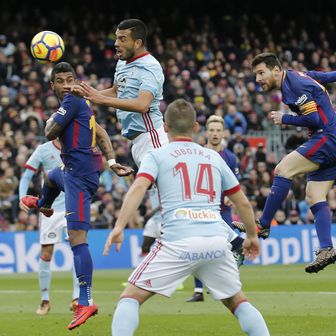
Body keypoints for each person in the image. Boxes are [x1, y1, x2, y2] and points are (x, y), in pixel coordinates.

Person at [104, 98, 270, 336]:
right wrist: (252, 236)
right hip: (215, 241)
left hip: (177, 241)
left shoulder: (157, 155)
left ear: (166, 128)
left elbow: (139, 187)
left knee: (130, 298)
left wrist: (119, 226)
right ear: (195, 127)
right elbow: (242, 201)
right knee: (238, 302)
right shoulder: (213, 157)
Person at [21, 62, 133, 330]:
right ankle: (43, 204)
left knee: (77, 240)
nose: (66, 84)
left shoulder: (72, 101)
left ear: (76, 81)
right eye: (60, 81)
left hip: (80, 180)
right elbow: (102, 134)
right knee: (50, 177)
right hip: (69, 172)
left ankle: (86, 301)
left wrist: (53, 119)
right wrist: (112, 161)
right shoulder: (81, 105)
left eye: (70, 79)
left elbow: (49, 132)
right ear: (53, 86)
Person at [68, 19, 169, 265]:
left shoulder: (150, 67)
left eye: (122, 38)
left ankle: (226, 242)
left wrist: (99, 100)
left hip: (151, 136)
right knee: (166, 200)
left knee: (168, 200)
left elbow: (143, 104)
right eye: (116, 38)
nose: (116, 43)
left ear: (138, 42)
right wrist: (91, 94)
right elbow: (117, 91)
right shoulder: (123, 64)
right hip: (137, 142)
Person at [233, 52, 336, 273]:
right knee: (314, 195)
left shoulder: (295, 86)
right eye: (255, 75)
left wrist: (285, 119)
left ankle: (262, 225)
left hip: (326, 137)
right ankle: (327, 247)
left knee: (283, 169)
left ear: (276, 70)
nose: (258, 79)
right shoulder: (300, 76)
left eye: (261, 73)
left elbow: (314, 119)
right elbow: (327, 76)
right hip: (328, 137)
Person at [186, 115, 245, 303]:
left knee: (224, 249)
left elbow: (235, 182)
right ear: (206, 133)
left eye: (218, 130)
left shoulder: (230, 157)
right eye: (211, 130)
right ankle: (198, 290)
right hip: (201, 209)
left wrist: (230, 196)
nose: (215, 134)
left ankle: (223, 285)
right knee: (197, 248)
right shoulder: (198, 154)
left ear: (223, 133)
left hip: (222, 209)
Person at [19, 139, 79, 315]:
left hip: (72, 207)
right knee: (46, 254)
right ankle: (45, 300)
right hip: (48, 209)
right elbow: (27, 175)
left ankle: (77, 297)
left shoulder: (75, 147)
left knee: (78, 249)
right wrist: (23, 197)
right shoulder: (43, 150)